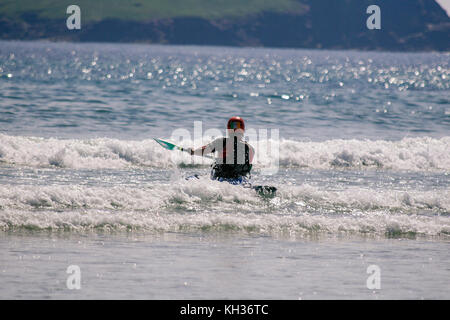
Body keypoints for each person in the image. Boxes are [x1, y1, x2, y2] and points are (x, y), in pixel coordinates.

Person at [187, 117, 255, 183]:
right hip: (240, 181)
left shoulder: (221, 142)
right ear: (243, 130)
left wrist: (193, 152)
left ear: (228, 129)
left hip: (221, 180)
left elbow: (203, 150)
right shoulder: (250, 149)